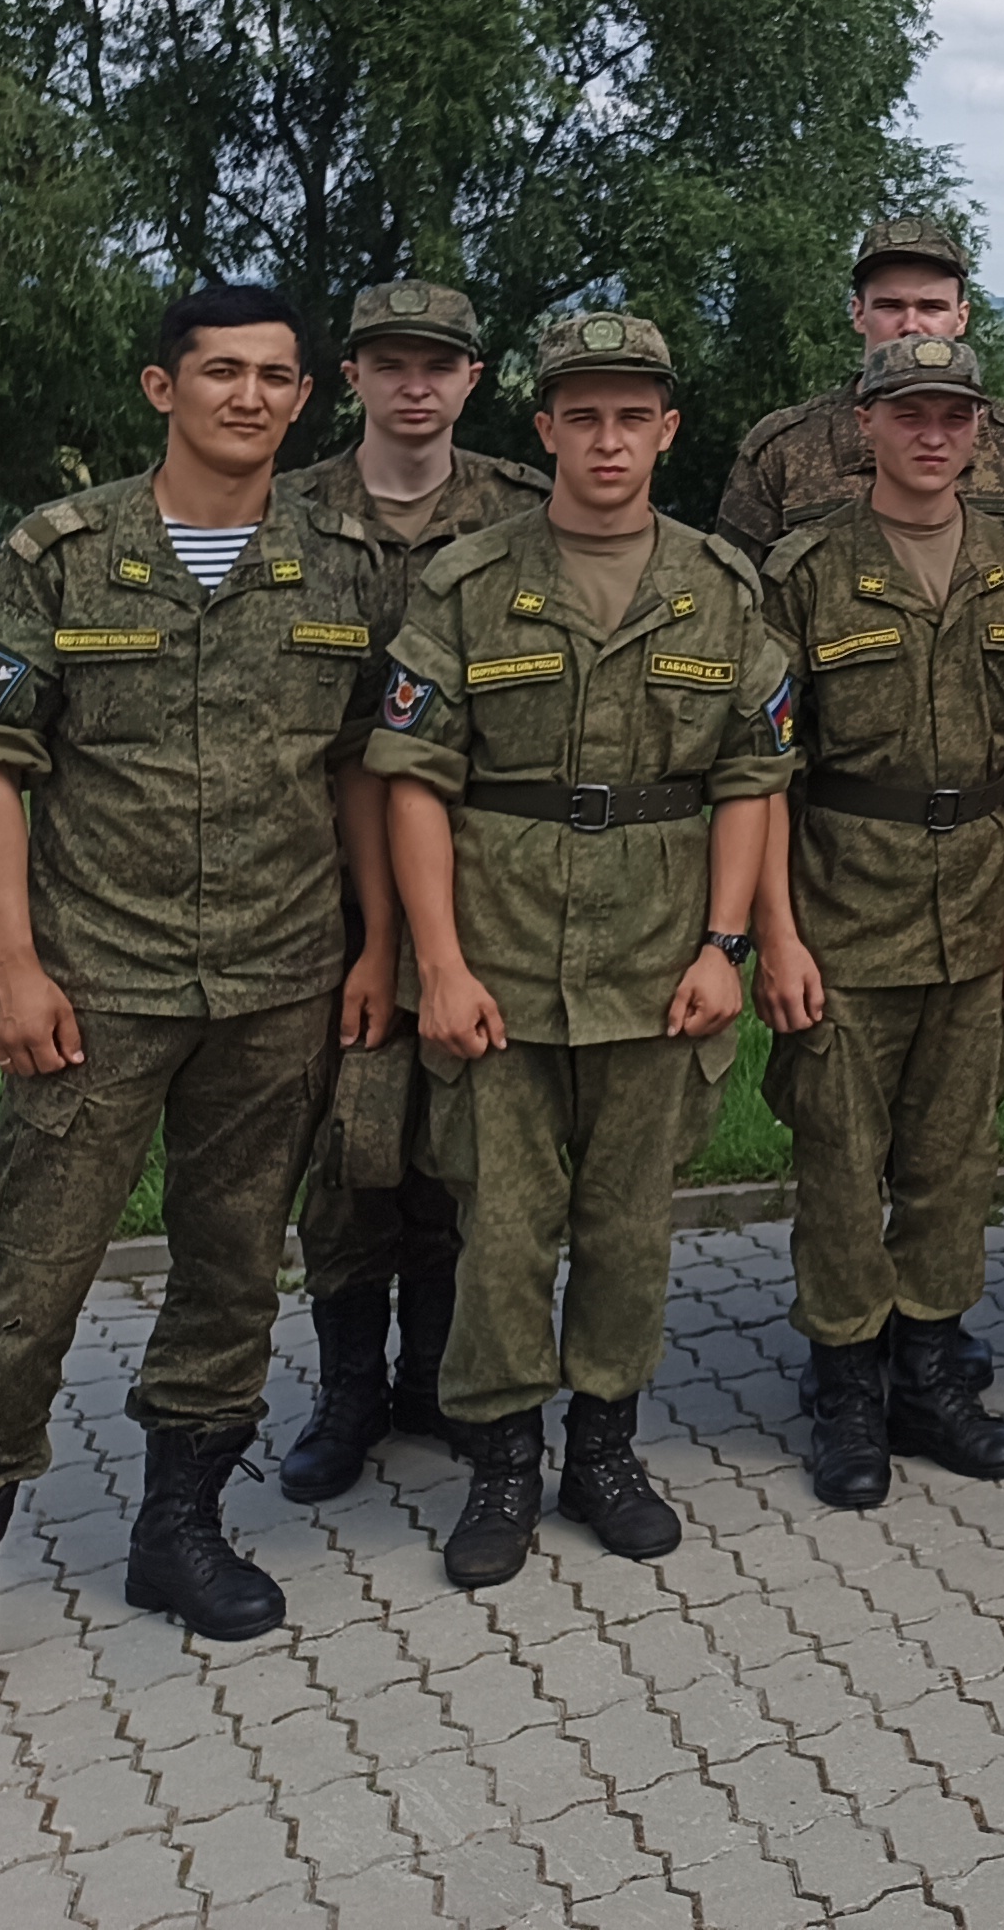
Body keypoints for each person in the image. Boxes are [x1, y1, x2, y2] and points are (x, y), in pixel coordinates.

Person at [0, 285, 381, 1735]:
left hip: (280, 977)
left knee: (234, 1268)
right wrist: (8, 962)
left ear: (302, 398)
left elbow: (360, 770)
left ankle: (179, 1533)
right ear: (163, 388)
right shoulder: (67, 552)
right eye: (220, 371)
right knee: (29, 1279)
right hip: (98, 980)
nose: (249, 397)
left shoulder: (340, 563)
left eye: (276, 377)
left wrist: (376, 948)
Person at [367, 309, 797, 1588]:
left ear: (668, 431)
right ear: (544, 427)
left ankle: (602, 1449)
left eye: (634, 417)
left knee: (627, 1228)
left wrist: (728, 946)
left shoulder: (722, 586)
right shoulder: (466, 584)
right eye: (583, 416)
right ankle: (501, 1459)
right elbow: (413, 781)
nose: (608, 441)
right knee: (501, 1229)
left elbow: (749, 778)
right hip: (498, 957)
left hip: (660, 959)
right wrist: (436, 964)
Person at [751, 334, 1004, 1505]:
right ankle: (845, 1387)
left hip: (977, 900)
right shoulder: (805, 570)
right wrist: (773, 933)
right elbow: (762, 770)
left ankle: (931, 1375)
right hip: (844, 902)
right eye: (909, 413)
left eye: (953, 415)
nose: (933, 434)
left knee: (954, 1155)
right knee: (838, 1158)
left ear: (978, 429)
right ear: (866, 425)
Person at [275, 278, 552, 1507]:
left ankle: (436, 1376)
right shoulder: (285, 516)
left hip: (472, 883)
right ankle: (347, 1392)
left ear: (473, 380)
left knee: (456, 1136)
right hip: (306, 882)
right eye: (390, 361)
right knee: (343, 1146)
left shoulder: (525, 513)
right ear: (353, 379)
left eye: (438, 362)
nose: (415, 382)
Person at [711, 213, 1004, 590]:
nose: (911, 325)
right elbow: (728, 597)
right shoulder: (785, 450)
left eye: (931, 307)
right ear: (859, 313)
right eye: (890, 306)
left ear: (961, 318)